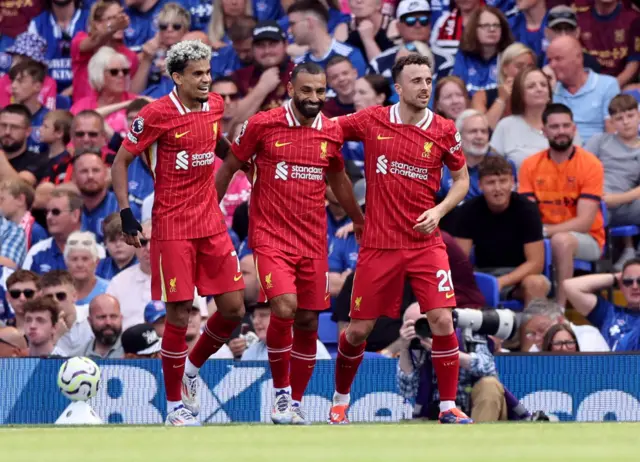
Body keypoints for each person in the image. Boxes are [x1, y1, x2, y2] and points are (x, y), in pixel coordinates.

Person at [215, 61, 364, 425]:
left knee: (309, 322)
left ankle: (294, 402)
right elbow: (231, 164)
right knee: (284, 308)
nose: (314, 97)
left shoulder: (330, 131)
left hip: (313, 240)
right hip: (269, 237)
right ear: (290, 89)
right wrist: (208, 209)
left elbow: (339, 179)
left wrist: (360, 219)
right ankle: (281, 395)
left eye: (320, 91)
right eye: (307, 90)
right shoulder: (263, 124)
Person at [330, 54, 472, 424]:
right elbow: (327, 130)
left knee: (441, 319)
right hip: (379, 246)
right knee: (358, 329)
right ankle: (339, 402)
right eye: (417, 81)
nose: (425, 87)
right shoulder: (373, 119)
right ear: (398, 87)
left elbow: (462, 182)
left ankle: (448, 407)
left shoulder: (444, 129)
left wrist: (439, 212)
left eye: (428, 80)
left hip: (425, 244)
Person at [111, 40, 245, 427]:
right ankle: (174, 408)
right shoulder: (155, 114)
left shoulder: (216, 105)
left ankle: (190, 366)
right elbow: (121, 163)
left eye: (208, 72)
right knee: (178, 315)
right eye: (198, 74)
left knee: (233, 309)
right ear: (176, 77)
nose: (206, 80)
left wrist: (238, 161)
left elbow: (215, 141)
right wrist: (127, 214)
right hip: (172, 227)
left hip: (211, 223)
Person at [518, 103, 605, 307]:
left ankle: (560, 309)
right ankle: (531, 307)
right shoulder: (530, 165)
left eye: (566, 126)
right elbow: (529, 214)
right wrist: (540, 232)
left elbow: (584, 223)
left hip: (588, 239)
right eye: (555, 127)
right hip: (542, 235)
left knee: (561, 241)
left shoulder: (591, 164)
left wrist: (545, 231)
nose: (561, 132)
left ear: (574, 128)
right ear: (544, 130)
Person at [454, 155, 550, 305]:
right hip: (483, 274)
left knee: (537, 283)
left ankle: (534, 327)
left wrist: (502, 282)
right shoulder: (467, 210)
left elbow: (536, 263)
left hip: (520, 276)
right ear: (480, 185)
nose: (498, 189)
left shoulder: (528, 209)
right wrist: (480, 283)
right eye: (491, 183)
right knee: (454, 281)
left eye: (503, 181)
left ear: (512, 182)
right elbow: (460, 260)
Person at [564, 259, 640, 352]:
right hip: (612, 365)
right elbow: (569, 286)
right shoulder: (609, 313)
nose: (635, 286)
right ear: (621, 286)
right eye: (628, 282)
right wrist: (615, 278)